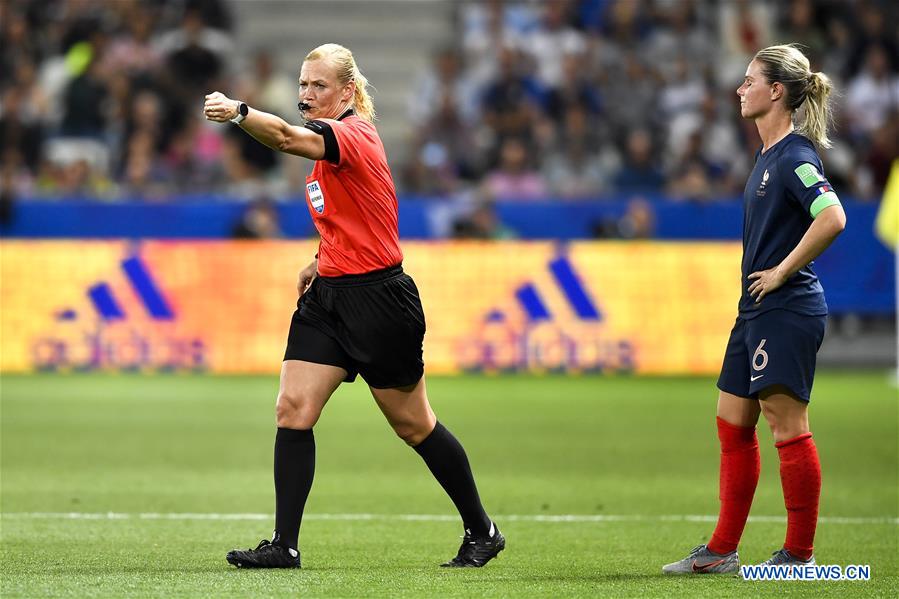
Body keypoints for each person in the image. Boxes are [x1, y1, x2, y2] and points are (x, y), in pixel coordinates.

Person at [203, 43, 504, 569]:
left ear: (347, 92)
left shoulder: (351, 134)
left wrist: (240, 111)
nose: (306, 95)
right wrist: (321, 259)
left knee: (415, 426)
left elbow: (283, 137)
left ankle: (483, 529)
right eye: (302, 84)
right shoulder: (331, 146)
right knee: (293, 410)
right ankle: (284, 545)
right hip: (329, 300)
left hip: (380, 303)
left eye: (318, 86)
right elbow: (361, 216)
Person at [662, 44, 846, 575]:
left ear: (776, 92)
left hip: (786, 307)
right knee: (731, 420)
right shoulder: (768, 157)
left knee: (785, 423)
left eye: (749, 81)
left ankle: (800, 555)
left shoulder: (795, 157)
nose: (740, 89)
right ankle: (722, 550)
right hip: (756, 309)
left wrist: (783, 269)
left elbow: (833, 217)